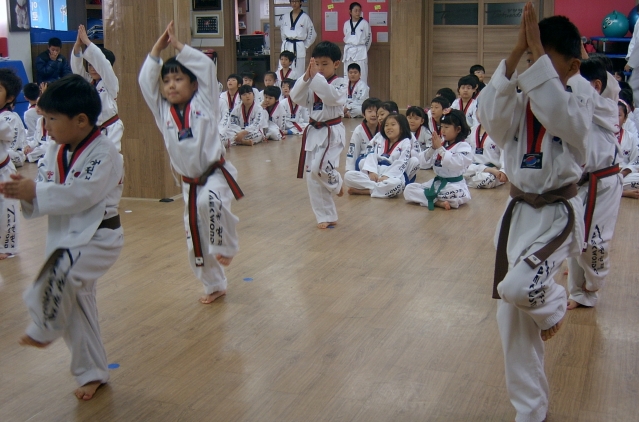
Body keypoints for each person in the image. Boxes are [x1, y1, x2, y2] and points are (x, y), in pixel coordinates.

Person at [478, 5, 594, 422]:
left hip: (556, 214)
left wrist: (536, 59)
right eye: (530, 57)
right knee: (511, 321)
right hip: (517, 212)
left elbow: (565, 119)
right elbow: (490, 119)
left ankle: (554, 304)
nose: (534, 67)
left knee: (518, 288)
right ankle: (530, 412)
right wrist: (514, 55)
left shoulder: (581, 94)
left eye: (542, 58)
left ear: (573, 65)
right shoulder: (522, 95)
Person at [0, 74, 124, 400]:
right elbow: (44, 187)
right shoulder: (55, 151)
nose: (47, 127)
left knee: (58, 274)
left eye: (53, 119)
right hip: (66, 237)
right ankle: (92, 372)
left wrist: (36, 190)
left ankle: (43, 326)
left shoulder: (106, 152)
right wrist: (26, 192)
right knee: (77, 309)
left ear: (80, 120)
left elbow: (83, 194)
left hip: (99, 237)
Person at [139, 21, 243, 304]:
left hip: (215, 174)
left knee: (209, 202)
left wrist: (178, 46)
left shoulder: (205, 102)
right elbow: (146, 84)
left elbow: (207, 68)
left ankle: (227, 245)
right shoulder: (163, 112)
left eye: (178, 79)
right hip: (189, 184)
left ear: (193, 84)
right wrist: (156, 51)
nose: (171, 85)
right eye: (166, 81)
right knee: (194, 238)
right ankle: (214, 284)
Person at [566, 57, 622, 310]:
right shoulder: (580, 104)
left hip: (604, 183)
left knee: (595, 240)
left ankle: (594, 282)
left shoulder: (607, 106)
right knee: (576, 237)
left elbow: (594, 86)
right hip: (580, 183)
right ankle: (579, 293)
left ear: (596, 86)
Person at [289, 41, 346, 229]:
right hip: (314, 132)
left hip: (332, 132)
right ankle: (326, 216)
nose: (320, 68)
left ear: (336, 64)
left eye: (325, 64)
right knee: (312, 177)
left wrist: (314, 79)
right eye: (317, 64)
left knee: (318, 168)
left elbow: (331, 97)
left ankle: (337, 183)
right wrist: (306, 77)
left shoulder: (341, 83)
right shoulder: (313, 83)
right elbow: (296, 97)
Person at [403, 109, 472, 210]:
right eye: (441, 127)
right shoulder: (441, 143)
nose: (443, 130)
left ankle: (431, 198)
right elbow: (422, 163)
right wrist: (433, 148)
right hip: (437, 182)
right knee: (409, 189)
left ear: (458, 129)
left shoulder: (463, 146)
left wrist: (440, 148)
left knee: (454, 195)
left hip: (454, 185)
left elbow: (456, 164)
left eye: (446, 127)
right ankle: (437, 202)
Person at [71, 25, 124, 152]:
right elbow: (77, 70)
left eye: (95, 65)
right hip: (92, 131)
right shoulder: (89, 82)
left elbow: (103, 64)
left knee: (109, 159)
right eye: (90, 65)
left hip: (110, 128)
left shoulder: (110, 82)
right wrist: (78, 45)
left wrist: (87, 41)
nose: (92, 68)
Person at [344, 113, 412, 198]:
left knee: (397, 184)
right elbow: (370, 153)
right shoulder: (379, 137)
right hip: (376, 170)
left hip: (391, 174)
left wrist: (387, 176)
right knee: (348, 176)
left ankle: (365, 191)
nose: (389, 127)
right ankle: (380, 189)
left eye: (393, 124)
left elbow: (402, 162)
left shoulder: (406, 142)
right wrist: (372, 171)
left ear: (402, 128)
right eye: (386, 125)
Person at [0, 68, 23, 259]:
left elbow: (6, 133)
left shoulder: (7, 118)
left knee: (7, 210)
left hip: (3, 171)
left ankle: (6, 246)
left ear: (9, 98)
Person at [464, 111, 508, 189]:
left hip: (492, 171)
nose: (481, 115)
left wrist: (503, 171)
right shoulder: (471, 131)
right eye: (479, 111)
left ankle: (465, 182)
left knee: (487, 179)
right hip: (473, 168)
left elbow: (505, 154)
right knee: (456, 170)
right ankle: (468, 180)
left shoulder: (499, 132)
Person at [278, 0, 316, 77]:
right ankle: (283, 84)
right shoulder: (285, 17)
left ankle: (297, 84)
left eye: (296, 1)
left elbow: (312, 34)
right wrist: (285, 42)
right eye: (292, 1)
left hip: (298, 46)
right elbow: (282, 31)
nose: (294, 3)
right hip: (286, 44)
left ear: (300, 2)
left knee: (298, 71)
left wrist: (304, 45)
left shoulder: (305, 17)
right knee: (283, 68)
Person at [346, 97, 381, 171]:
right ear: (363, 114)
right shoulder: (358, 131)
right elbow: (353, 152)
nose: (373, 115)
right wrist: (350, 170)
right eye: (370, 111)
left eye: (376, 111)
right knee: (349, 175)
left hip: (379, 163)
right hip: (363, 164)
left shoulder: (384, 130)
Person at [343, 2, 372, 83]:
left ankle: (362, 91)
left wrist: (363, 49)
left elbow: (369, 38)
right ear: (350, 12)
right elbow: (346, 35)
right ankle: (348, 91)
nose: (358, 13)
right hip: (349, 51)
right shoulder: (346, 24)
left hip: (360, 51)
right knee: (347, 75)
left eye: (359, 11)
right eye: (355, 10)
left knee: (362, 75)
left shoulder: (364, 23)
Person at [618, 100, 639, 197]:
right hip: (606, 176)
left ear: (625, 118)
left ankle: (616, 190)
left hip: (624, 175)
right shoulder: (600, 136)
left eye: (619, 115)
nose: (614, 119)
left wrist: (622, 174)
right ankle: (622, 192)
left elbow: (636, 162)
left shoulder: (631, 137)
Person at [22, 83, 40, 150]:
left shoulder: (28, 113)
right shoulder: (45, 106)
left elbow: (32, 133)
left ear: (26, 98)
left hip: (37, 138)